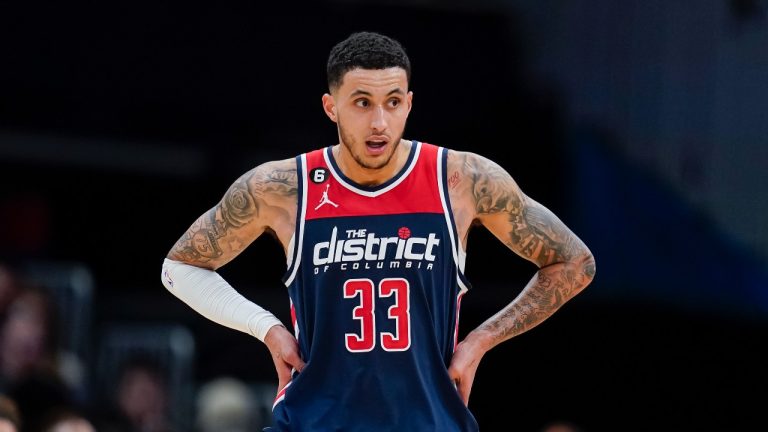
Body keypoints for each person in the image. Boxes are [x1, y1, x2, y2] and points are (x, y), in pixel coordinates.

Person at [161, 31, 595, 431]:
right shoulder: (284, 188)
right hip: (314, 421)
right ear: (331, 106)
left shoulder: (461, 180)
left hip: (429, 420)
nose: (379, 123)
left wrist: (480, 340)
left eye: (392, 102)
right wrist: (265, 327)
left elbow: (574, 262)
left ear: (408, 103)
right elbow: (178, 266)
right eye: (362, 102)